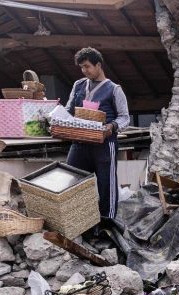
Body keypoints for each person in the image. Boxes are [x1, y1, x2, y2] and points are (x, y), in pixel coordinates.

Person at [65, 47, 130, 224]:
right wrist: (59, 118)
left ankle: (107, 222)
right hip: (79, 142)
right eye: (82, 68)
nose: (84, 71)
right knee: (73, 178)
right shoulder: (78, 85)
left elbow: (124, 117)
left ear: (98, 65)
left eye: (87, 66)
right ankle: (78, 219)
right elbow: (69, 110)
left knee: (105, 183)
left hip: (104, 143)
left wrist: (111, 126)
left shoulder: (114, 89)